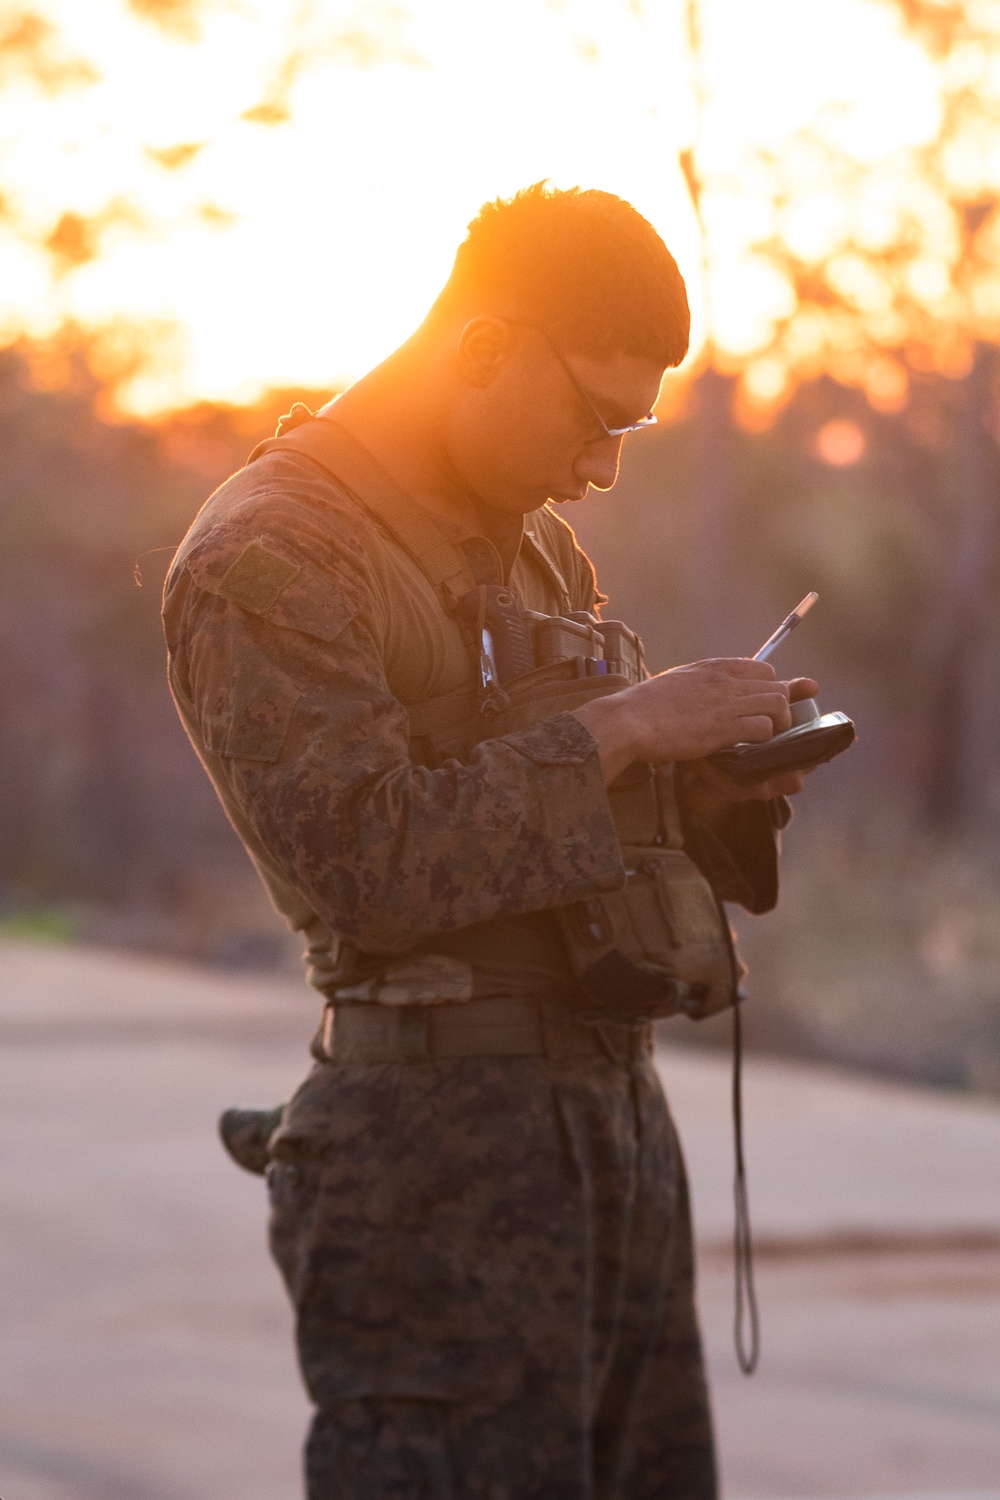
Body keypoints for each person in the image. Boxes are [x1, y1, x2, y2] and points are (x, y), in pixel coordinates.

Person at [162, 183, 816, 1499]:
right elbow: (365, 860)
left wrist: (707, 783)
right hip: (438, 1163)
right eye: (594, 416)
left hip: (606, 1123)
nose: (600, 466)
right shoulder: (275, 555)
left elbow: (557, 835)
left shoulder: (534, 554)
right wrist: (625, 730)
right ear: (483, 347)